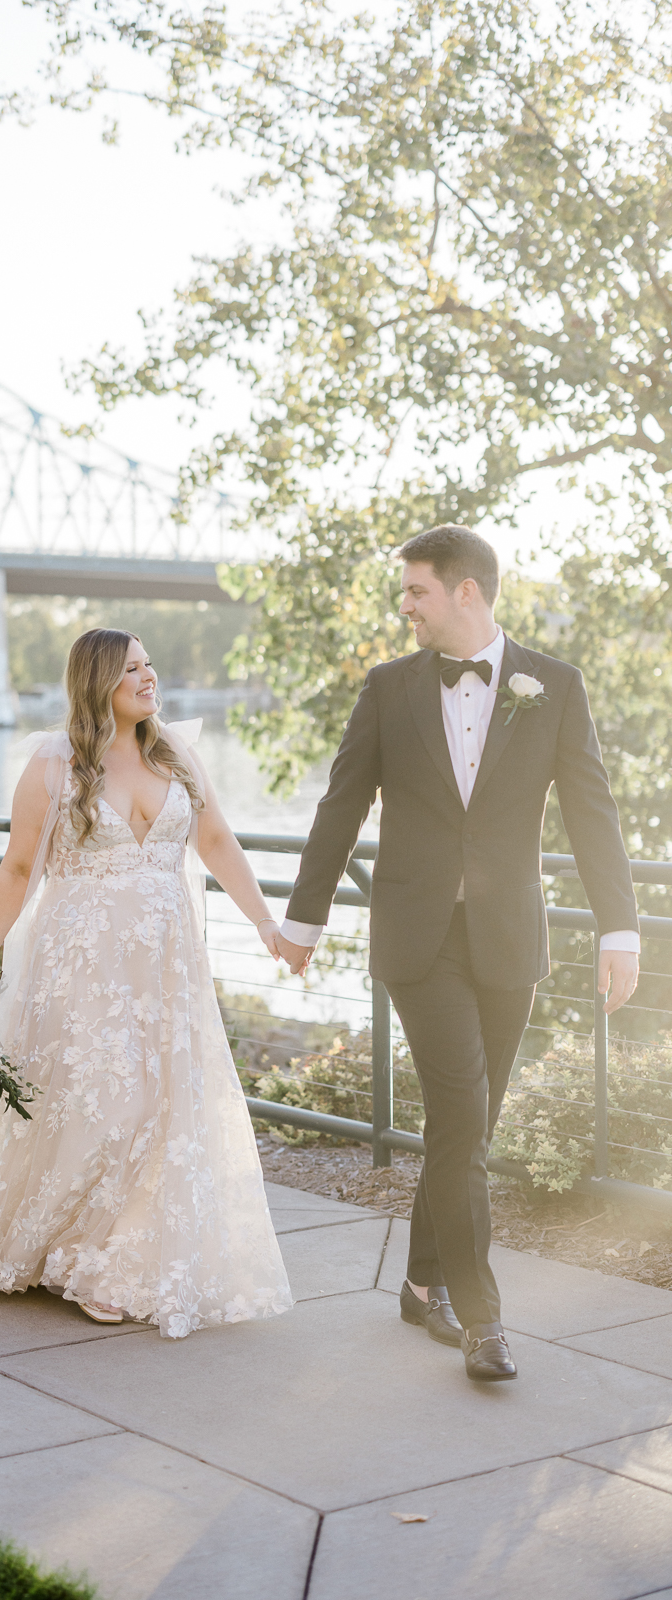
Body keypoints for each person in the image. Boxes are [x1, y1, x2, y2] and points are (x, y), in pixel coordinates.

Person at [275, 525, 639, 1382]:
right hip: (417, 938)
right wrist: (303, 919)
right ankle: (481, 1318)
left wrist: (617, 927)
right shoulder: (387, 687)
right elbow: (339, 806)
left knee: (464, 1122)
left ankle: (416, 1281)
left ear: (465, 591)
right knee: (462, 1112)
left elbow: (593, 813)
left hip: (509, 939)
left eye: (415, 593)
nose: (403, 607)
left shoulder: (553, 686)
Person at [0, 628, 293, 1338]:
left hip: (167, 967)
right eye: (132, 667)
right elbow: (15, 871)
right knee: (107, 1105)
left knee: (162, 1109)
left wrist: (264, 923)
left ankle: (115, 1258)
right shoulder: (52, 764)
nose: (148, 676)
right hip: (83, 969)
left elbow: (216, 840)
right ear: (97, 680)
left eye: (150, 664)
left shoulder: (175, 754)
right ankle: (71, 1251)